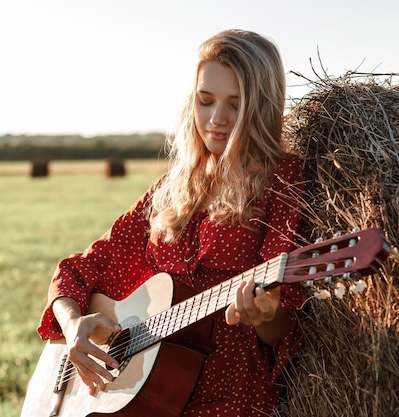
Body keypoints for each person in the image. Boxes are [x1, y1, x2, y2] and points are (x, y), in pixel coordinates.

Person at [36, 29, 306, 417]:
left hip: (229, 393)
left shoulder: (281, 181)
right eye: (205, 100)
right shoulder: (172, 188)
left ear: (260, 106)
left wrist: (264, 314)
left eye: (236, 103)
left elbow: (284, 323)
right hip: (143, 389)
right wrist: (73, 322)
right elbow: (83, 267)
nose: (217, 118)